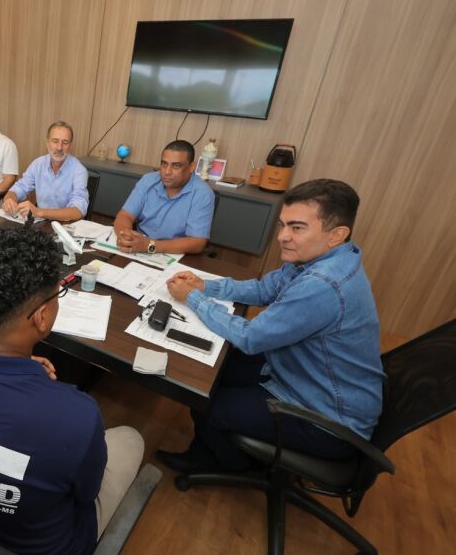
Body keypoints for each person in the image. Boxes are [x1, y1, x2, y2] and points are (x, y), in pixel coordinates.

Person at [0, 227, 144, 555]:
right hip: (46, 545)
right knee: (132, 438)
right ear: (42, 317)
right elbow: (86, 494)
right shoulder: (77, 416)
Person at [157, 179, 384, 473]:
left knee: (207, 403)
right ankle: (229, 448)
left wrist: (194, 298)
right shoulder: (320, 256)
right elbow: (264, 289)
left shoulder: (322, 285)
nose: (282, 236)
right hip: (302, 374)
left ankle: (219, 464)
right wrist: (206, 286)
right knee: (213, 372)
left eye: (297, 227)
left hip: (327, 418)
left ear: (337, 234)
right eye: (282, 224)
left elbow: (249, 337)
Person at [113, 139, 214, 255]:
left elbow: (197, 243)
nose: (167, 171)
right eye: (164, 164)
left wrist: (149, 246)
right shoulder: (148, 180)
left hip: (173, 254)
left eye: (176, 166)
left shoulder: (203, 193)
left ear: (192, 167)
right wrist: (126, 236)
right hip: (139, 248)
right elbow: (125, 215)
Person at [2, 121, 89, 222]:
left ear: (70, 145)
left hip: (65, 225)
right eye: (55, 141)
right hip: (41, 223)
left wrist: (39, 212)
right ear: (47, 142)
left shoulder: (79, 170)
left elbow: (78, 211)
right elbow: (19, 187)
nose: (59, 147)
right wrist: (9, 199)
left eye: (65, 142)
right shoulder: (38, 164)